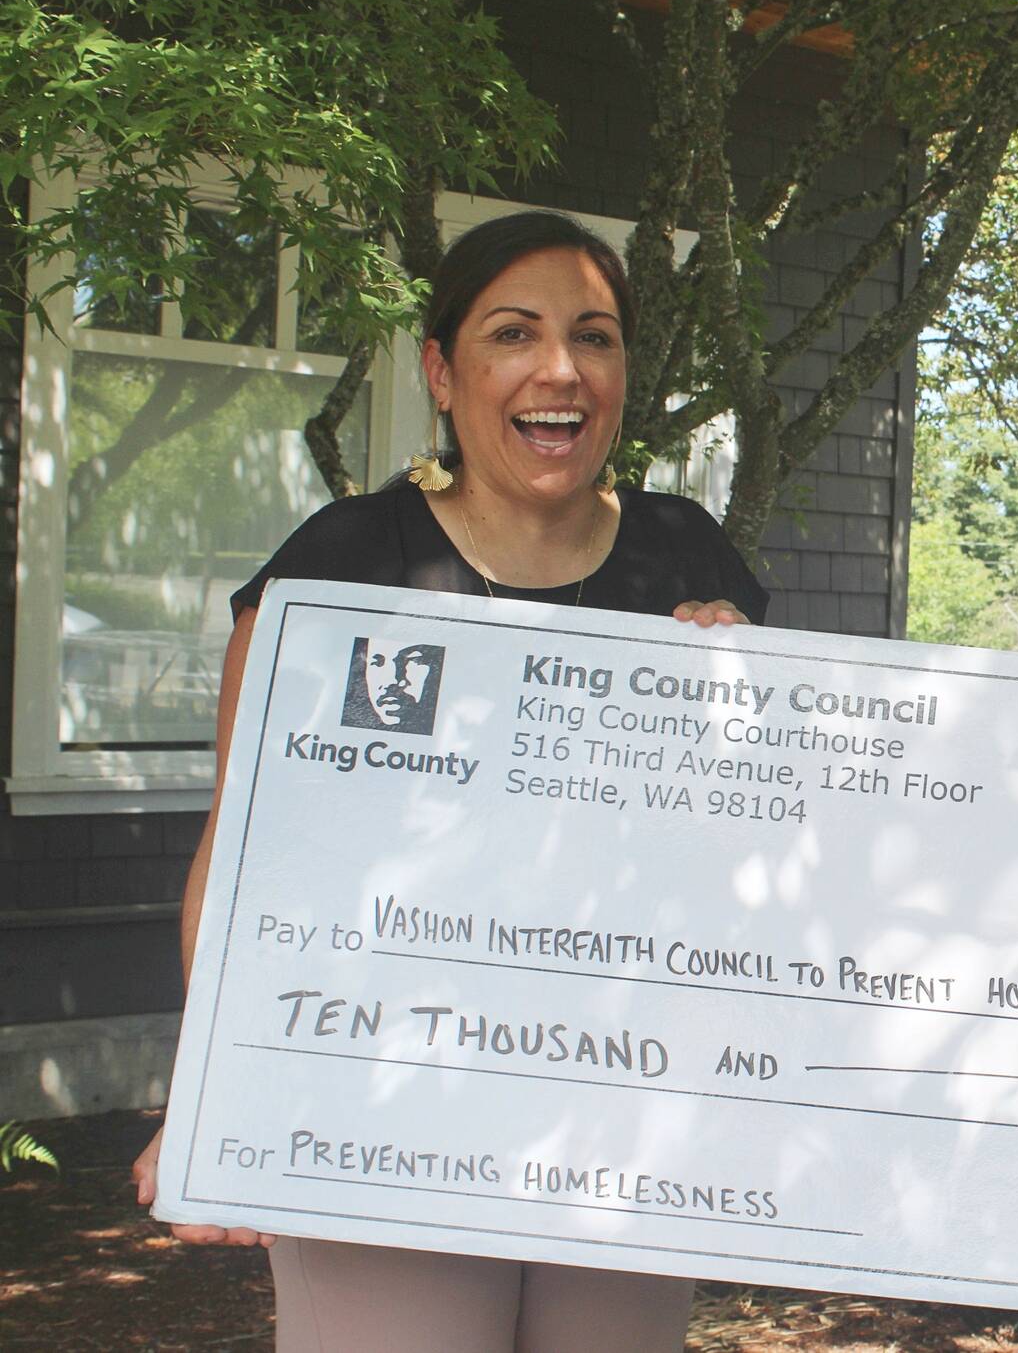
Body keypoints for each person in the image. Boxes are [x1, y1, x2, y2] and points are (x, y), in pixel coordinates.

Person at [131, 210, 765, 1351]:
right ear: (441, 370)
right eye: (512, 333)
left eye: (596, 337)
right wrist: (222, 1092)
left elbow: (751, 863)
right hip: (382, 1102)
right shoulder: (342, 567)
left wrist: (737, 703)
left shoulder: (691, 561)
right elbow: (244, 849)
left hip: (620, 1109)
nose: (559, 371)